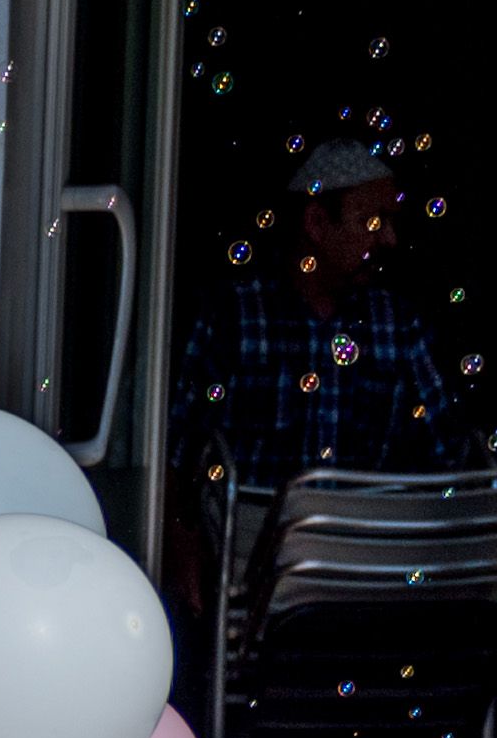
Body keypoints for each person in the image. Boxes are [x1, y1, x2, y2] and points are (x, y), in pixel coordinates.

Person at [169, 133, 461, 531]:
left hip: (362, 551)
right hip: (250, 549)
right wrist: (180, 536)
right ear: (317, 223)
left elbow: (450, 455)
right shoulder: (234, 314)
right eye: (374, 221)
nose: (390, 239)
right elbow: (179, 449)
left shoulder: (398, 325)